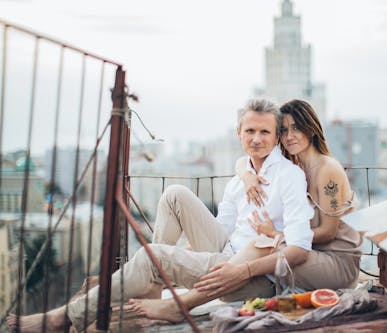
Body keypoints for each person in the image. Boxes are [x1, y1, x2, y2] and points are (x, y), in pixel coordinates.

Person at [7, 99, 314, 332]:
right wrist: (180, 255)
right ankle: (153, 280)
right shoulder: (239, 179)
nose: (257, 138)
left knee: (153, 256)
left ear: (276, 137)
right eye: (250, 131)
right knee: (174, 194)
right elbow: (222, 231)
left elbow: (299, 249)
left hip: (257, 278)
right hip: (227, 253)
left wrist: (242, 270)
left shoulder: (289, 176)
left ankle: (63, 317)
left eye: (265, 132)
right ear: (239, 134)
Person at [236, 99, 363, 292]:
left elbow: (328, 232)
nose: (289, 137)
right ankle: (221, 281)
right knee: (259, 249)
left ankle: (214, 282)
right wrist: (247, 176)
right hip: (313, 254)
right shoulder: (296, 166)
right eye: (284, 130)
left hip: (337, 263)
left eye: (296, 128)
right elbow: (243, 160)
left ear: (311, 130)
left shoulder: (327, 169)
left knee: (263, 247)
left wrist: (278, 234)